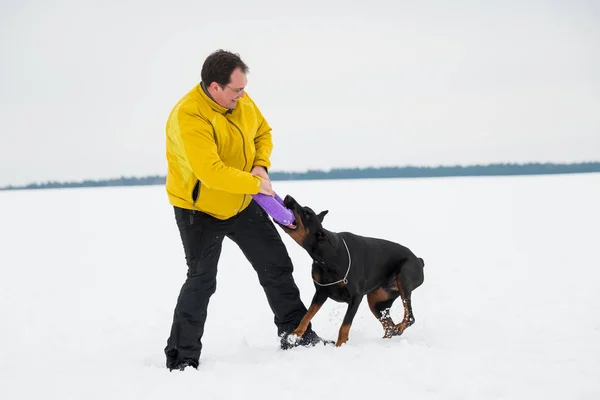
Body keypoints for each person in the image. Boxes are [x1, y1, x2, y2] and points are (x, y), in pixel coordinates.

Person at [163, 49, 328, 371]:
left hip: (241, 203)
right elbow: (210, 171)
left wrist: (260, 166)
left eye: (243, 88)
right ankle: (182, 358)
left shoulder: (241, 101)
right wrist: (255, 185)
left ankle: (295, 334)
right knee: (201, 281)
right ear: (215, 87)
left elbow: (263, 133)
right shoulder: (189, 115)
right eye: (236, 90)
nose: (242, 95)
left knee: (276, 266)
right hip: (200, 210)